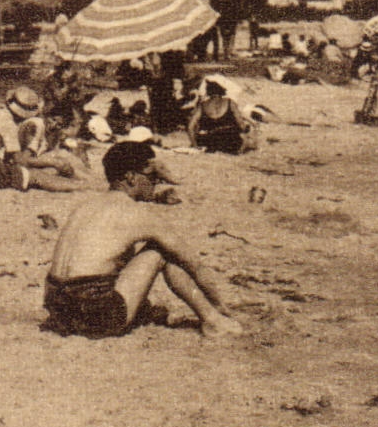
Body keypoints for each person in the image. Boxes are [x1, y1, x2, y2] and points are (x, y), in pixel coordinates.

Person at [43, 141, 243, 340]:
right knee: (161, 251)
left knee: (116, 259)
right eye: (152, 176)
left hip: (57, 310)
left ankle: (142, 311)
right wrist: (219, 304)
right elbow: (195, 266)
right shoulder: (137, 213)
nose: (156, 182)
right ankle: (212, 321)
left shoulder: (86, 206)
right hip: (93, 315)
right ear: (130, 177)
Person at [0, 86, 88, 192]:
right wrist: (51, 162)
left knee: (21, 172)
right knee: (33, 176)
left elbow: (10, 158)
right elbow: (20, 160)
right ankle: (80, 187)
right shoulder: (8, 125)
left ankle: (78, 184)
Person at [187, 79, 256, 155]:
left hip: (210, 142)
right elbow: (241, 124)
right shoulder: (230, 102)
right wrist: (247, 130)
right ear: (222, 91)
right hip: (230, 141)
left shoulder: (203, 105)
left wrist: (194, 145)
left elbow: (190, 126)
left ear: (208, 92)